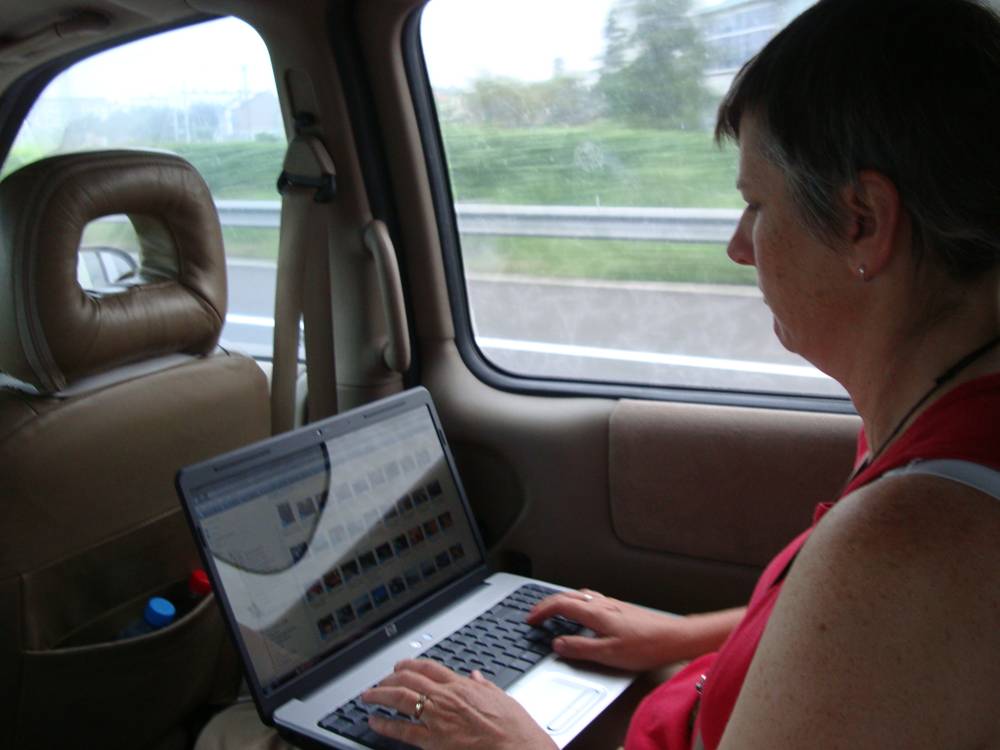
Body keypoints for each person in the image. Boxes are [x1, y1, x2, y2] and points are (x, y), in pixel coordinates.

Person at [197, 0, 1000, 748]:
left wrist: (515, 744)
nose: (739, 245)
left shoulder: (916, 540)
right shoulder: (934, 421)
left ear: (863, 223)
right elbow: (841, 645)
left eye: (758, 205)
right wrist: (678, 637)